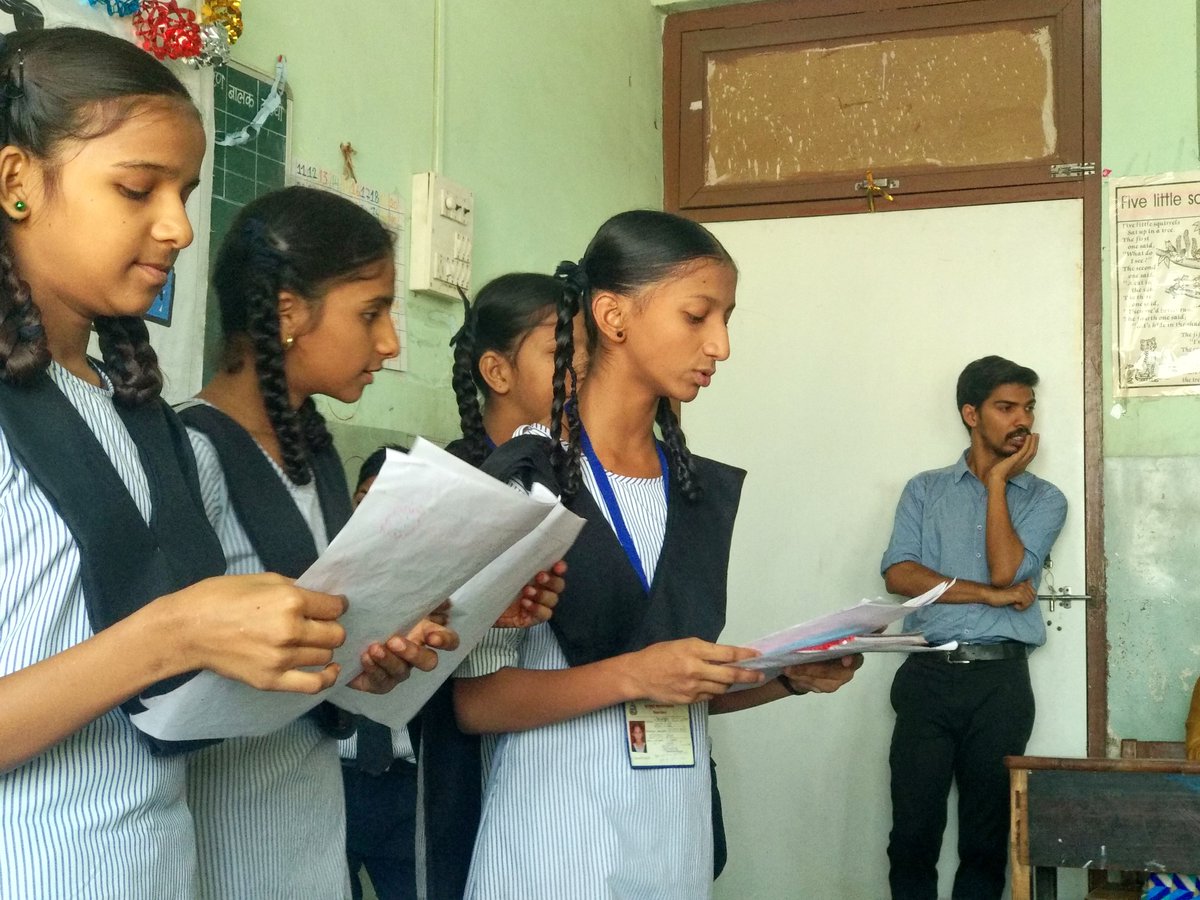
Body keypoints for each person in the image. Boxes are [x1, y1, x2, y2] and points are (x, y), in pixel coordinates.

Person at [0, 27, 352, 899]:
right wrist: (173, 633)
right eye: (136, 188)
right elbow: (162, 641)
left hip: (153, 866)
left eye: (187, 192)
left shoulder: (143, 416)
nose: (179, 228)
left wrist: (335, 646)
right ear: (15, 183)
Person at [454, 209, 861, 898]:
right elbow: (479, 703)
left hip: (676, 840)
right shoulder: (525, 481)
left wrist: (783, 676)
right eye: (697, 316)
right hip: (558, 843)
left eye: (727, 318)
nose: (721, 345)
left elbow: (672, 683)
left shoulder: (693, 490)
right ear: (613, 317)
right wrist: (635, 673)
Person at [179, 187, 461, 899]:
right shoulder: (190, 453)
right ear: (286, 315)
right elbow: (165, 678)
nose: (390, 342)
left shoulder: (316, 456)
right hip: (220, 836)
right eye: (371, 313)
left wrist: (382, 651)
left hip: (310, 824)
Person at [881, 355, 1068, 900]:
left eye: (1028, 409)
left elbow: (1008, 566)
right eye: (1006, 407)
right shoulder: (925, 489)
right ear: (971, 413)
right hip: (928, 678)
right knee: (913, 834)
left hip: (1000, 685)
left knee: (986, 841)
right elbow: (900, 573)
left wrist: (996, 483)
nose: (1022, 421)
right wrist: (991, 595)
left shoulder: (1045, 499)